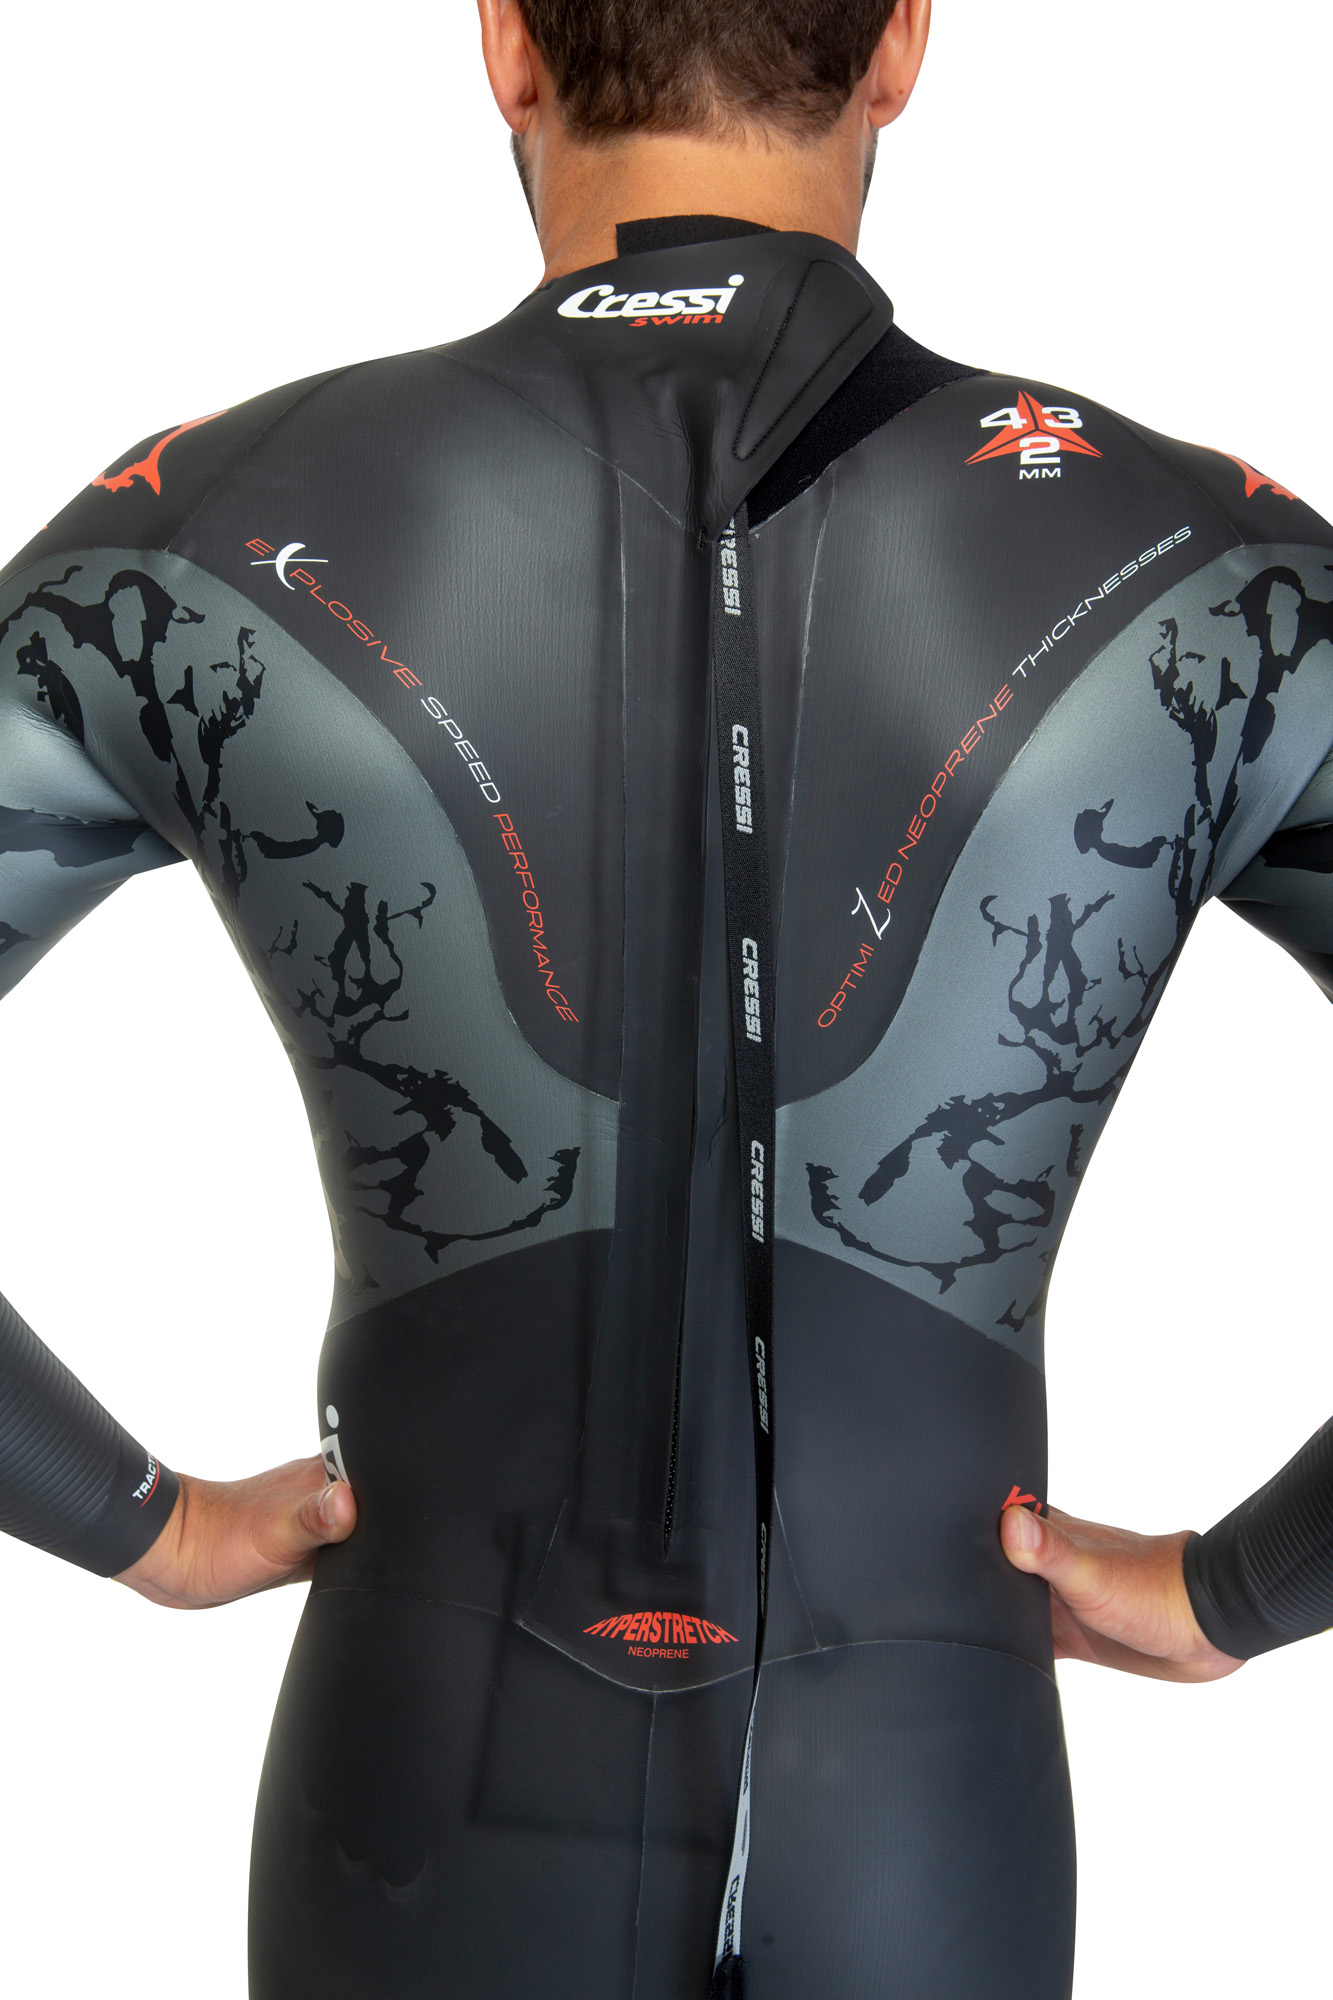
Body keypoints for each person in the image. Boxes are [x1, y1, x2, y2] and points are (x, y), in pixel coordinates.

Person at [0, 0, 1330, 1993]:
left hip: (421, 1777)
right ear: (901, 41)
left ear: (505, 41)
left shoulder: (206, 532)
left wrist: (132, 1516)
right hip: (923, 1806)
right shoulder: (1205, 570)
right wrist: (1249, 1585)